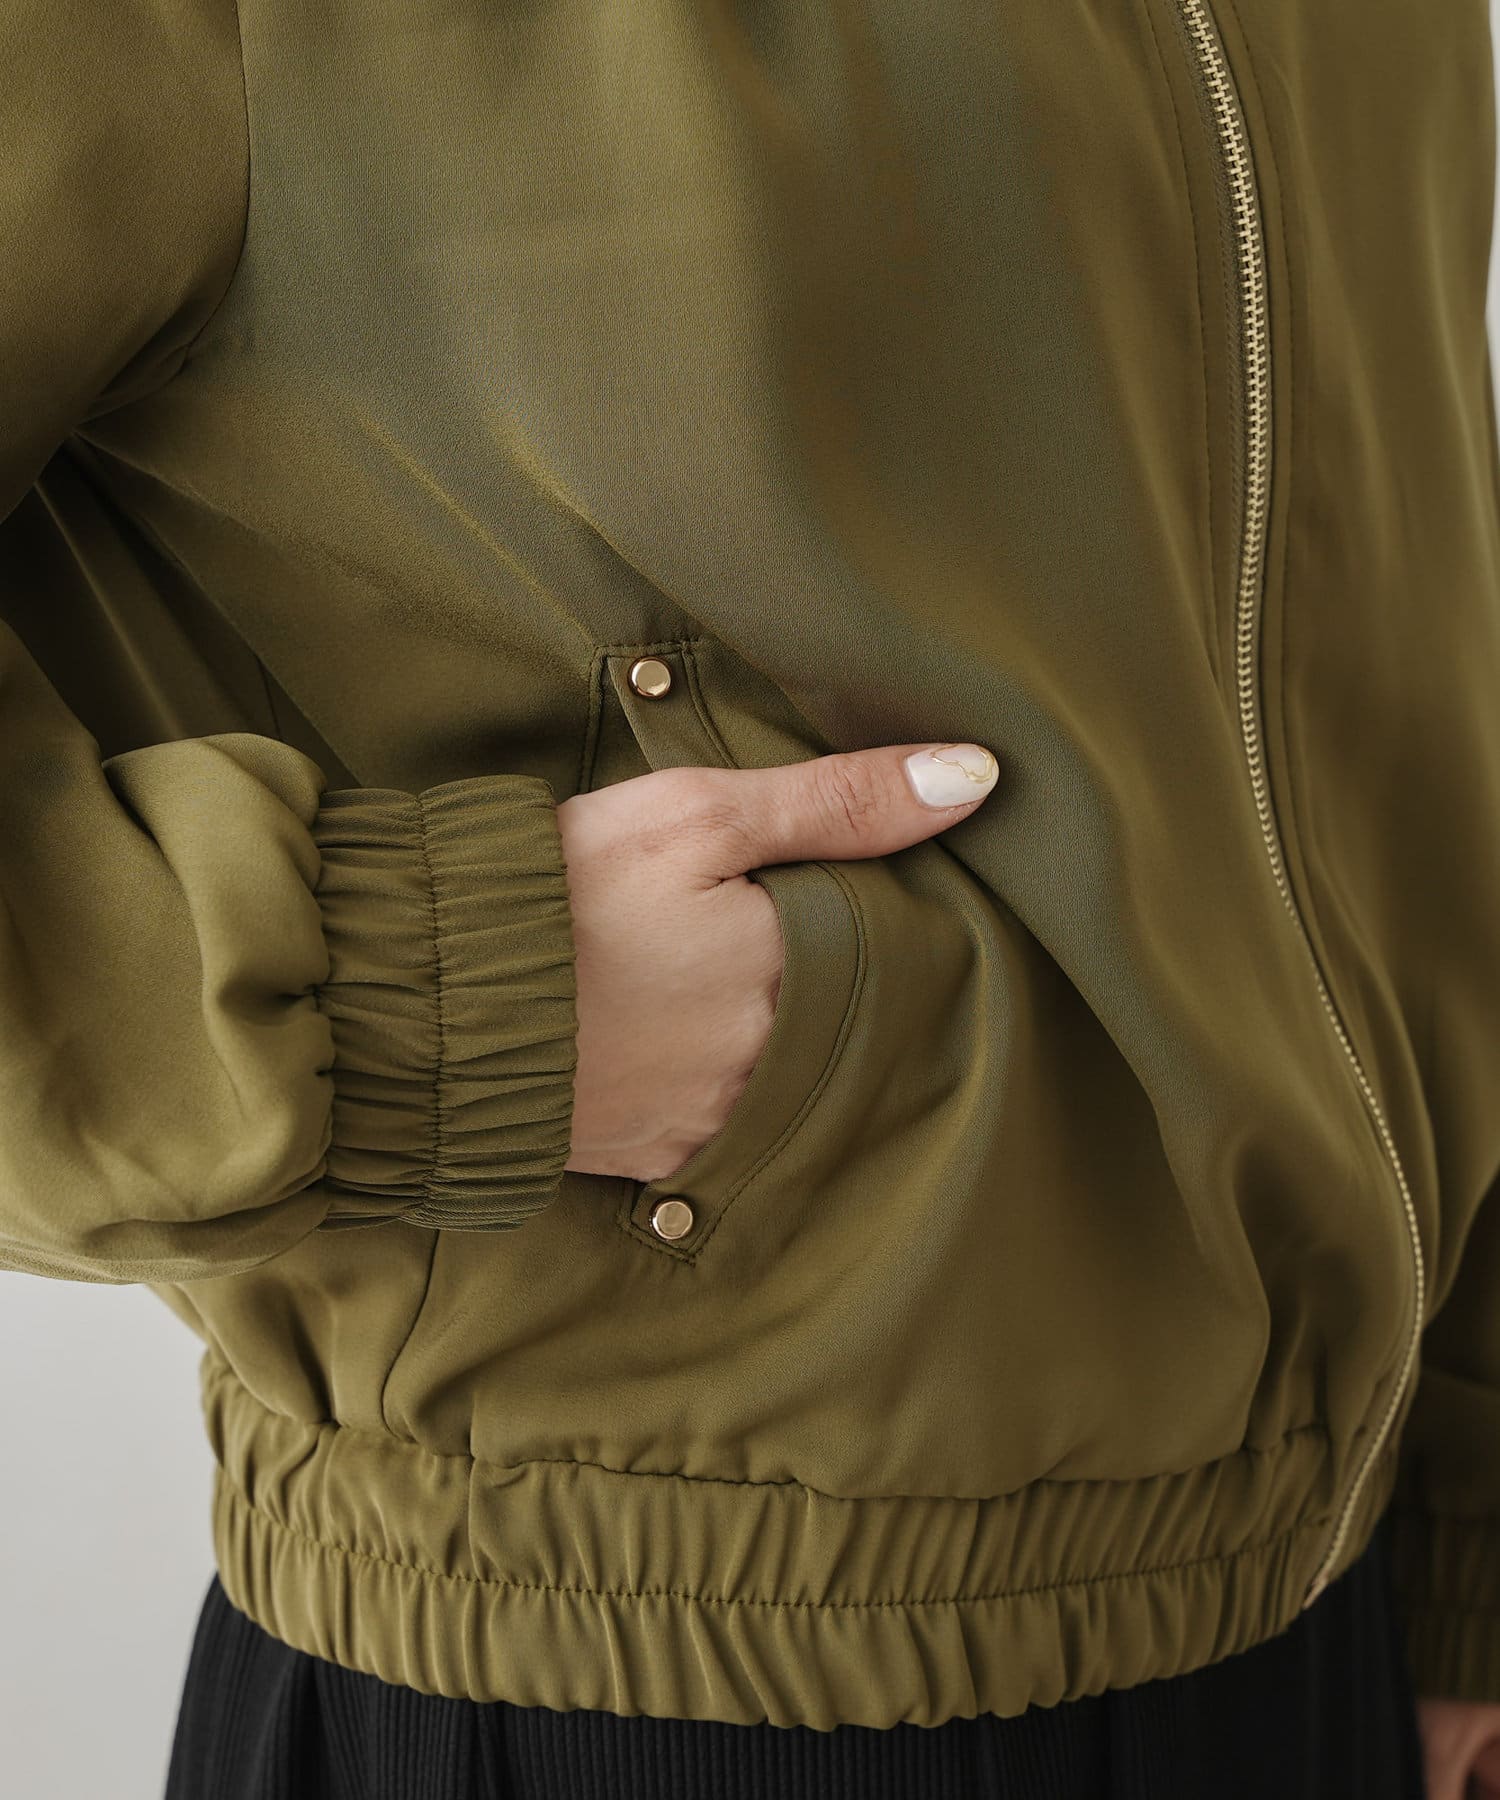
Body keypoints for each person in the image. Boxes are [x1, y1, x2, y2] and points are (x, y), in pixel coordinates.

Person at [3, 0, 1500, 1795]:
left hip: (1325, 1614)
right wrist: (423, 1001)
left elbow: (1381, 666)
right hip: (622, 1661)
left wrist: (1469, 1528)